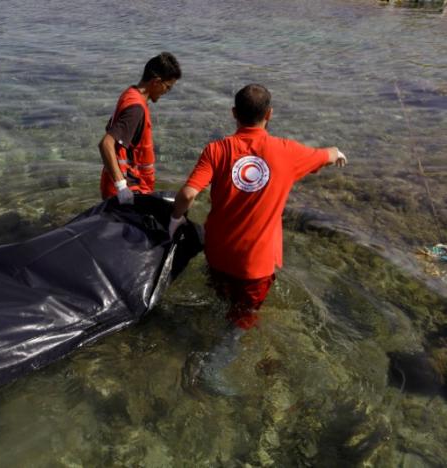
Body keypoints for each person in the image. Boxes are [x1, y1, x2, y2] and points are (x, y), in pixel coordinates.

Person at [169, 84, 347, 392]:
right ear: (269, 115)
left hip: (218, 251)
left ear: (234, 114)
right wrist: (337, 153)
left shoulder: (217, 149)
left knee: (218, 293)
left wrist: (174, 221)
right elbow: (326, 155)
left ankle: (203, 327)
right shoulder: (288, 151)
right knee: (242, 318)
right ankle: (214, 366)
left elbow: (187, 193)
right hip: (255, 264)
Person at [99, 52, 182, 204]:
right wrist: (121, 187)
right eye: (167, 87)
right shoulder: (136, 109)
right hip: (128, 192)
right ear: (156, 82)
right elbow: (106, 144)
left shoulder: (130, 94)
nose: (166, 92)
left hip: (125, 188)